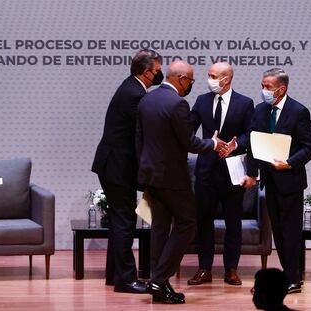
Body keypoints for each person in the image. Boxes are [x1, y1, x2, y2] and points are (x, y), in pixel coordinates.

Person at [136, 60, 228, 304]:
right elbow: (190, 143)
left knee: (160, 228)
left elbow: (139, 139)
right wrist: (213, 143)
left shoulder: (147, 99)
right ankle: (159, 278)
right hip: (172, 177)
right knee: (188, 223)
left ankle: (159, 285)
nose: (192, 85)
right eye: (191, 81)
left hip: (150, 175)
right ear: (181, 78)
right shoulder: (178, 103)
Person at [91, 49, 163, 294]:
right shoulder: (134, 95)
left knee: (119, 221)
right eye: (157, 70)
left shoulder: (131, 88)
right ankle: (125, 280)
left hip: (113, 165)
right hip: (117, 166)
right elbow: (142, 135)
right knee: (124, 221)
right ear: (146, 72)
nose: (159, 75)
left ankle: (115, 275)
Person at [244, 68, 311, 294]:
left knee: (291, 232)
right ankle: (289, 276)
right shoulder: (260, 110)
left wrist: (290, 162)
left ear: (281, 88)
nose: (263, 91)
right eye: (262, 85)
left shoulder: (298, 111)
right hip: (269, 181)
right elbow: (253, 142)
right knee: (278, 231)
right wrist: (253, 173)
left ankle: (293, 278)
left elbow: (310, 146)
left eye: (267, 87)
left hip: (290, 182)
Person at [187, 62, 254, 286]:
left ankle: (231, 270)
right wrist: (208, 144)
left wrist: (235, 145)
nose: (210, 79)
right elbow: (188, 130)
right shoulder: (202, 101)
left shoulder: (245, 103)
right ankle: (204, 269)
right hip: (206, 172)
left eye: (214, 76)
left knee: (233, 223)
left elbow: (249, 135)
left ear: (227, 79)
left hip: (233, 172)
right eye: (209, 75)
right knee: (203, 221)